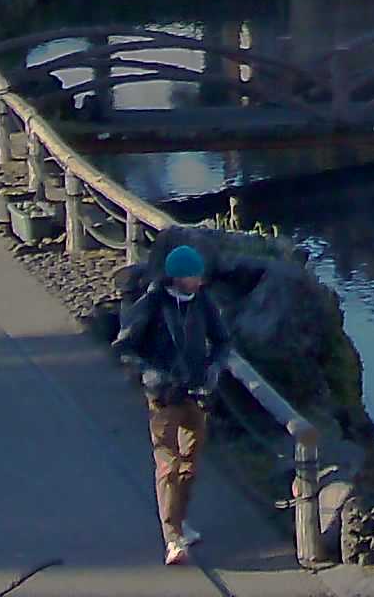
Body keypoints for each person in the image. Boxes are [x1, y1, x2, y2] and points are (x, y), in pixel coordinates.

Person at [112, 241, 257, 563]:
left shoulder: (202, 301)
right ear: (177, 277)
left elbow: (222, 341)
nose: (199, 281)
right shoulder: (151, 303)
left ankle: (181, 519)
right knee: (168, 464)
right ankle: (173, 538)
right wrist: (151, 374)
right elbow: (124, 347)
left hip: (195, 395)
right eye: (193, 276)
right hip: (163, 398)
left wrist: (214, 369)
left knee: (190, 463)